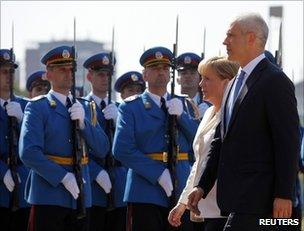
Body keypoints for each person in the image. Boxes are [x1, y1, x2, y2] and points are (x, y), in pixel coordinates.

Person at [187, 13, 300, 231]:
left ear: (251, 38)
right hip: (236, 200)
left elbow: (288, 142)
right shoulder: (234, 83)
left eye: (231, 35)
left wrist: (284, 194)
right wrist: (202, 186)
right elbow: (221, 141)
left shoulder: (274, 81)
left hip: (262, 203)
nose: (224, 42)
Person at [19, 45, 110, 231]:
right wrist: (62, 177)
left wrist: (84, 124)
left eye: (71, 69)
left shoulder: (85, 107)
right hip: (48, 195)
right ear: (49, 74)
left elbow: (102, 148)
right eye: (62, 69)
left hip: (82, 195)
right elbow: (28, 152)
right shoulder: (38, 108)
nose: (69, 74)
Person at [113, 46, 199, 231]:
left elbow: (198, 142)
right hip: (144, 189)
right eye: (155, 68)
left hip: (181, 185)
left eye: (165, 68)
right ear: (145, 75)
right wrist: (157, 173)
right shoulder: (131, 107)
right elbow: (122, 149)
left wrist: (182, 117)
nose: (161, 72)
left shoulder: (184, 103)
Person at [168, 57, 239, 231]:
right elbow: (199, 163)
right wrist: (183, 202)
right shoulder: (208, 113)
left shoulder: (234, 115)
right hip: (202, 207)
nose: (201, 84)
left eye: (207, 79)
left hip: (223, 208)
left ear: (226, 83)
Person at [83, 52, 127, 231]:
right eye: (100, 74)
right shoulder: (80, 107)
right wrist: (95, 172)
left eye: (108, 74)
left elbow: (131, 146)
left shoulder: (121, 109)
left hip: (119, 184)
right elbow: (78, 147)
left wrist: (119, 123)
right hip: (94, 185)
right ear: (89, 76)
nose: (105, 79)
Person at [0, 49, 30, 230]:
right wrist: (2, 172)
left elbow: (37, 143)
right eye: (4, 71)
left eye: (12, 71)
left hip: (23, 184)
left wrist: (22, 120)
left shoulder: (27, 106)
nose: (9, 76)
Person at [176, 52, 210, 120]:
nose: (188, 76)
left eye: (192, 73)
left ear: (200, 78)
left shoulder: (209, 105)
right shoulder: (172, 103)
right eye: (184, 73)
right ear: (177, 79)